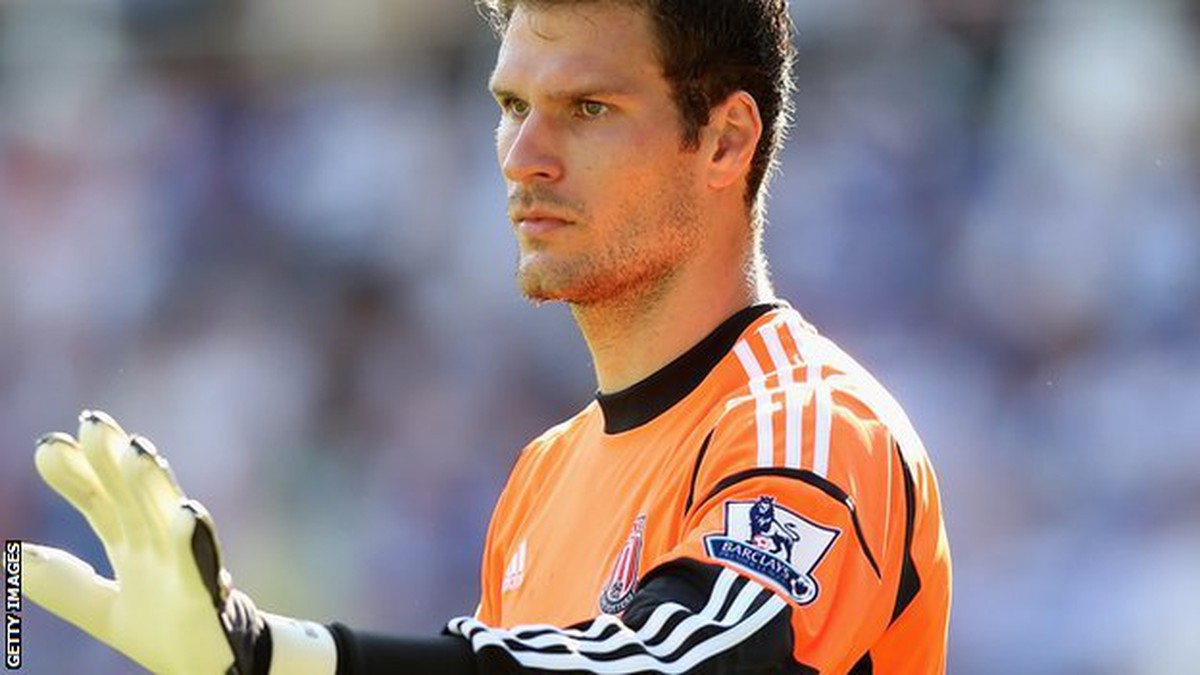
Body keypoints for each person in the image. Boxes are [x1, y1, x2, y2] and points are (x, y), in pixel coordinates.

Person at [21, 1, 952, 673]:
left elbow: (681, 662)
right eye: (512, 107)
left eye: (588, 109)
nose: (522, 157)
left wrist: (277, 654)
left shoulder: (814, 427)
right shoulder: (543, 477)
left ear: (724, 141)